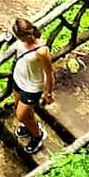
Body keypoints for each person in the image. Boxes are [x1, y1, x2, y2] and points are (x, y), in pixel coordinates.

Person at [10, 16, 54, 155]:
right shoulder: (21, 40)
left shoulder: (41, 50)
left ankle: (37, 135)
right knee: (19, 108)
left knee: (21, 115)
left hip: (32, 87)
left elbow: (49, 73)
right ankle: (29, 126)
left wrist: (48, 92)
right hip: (19, 79)